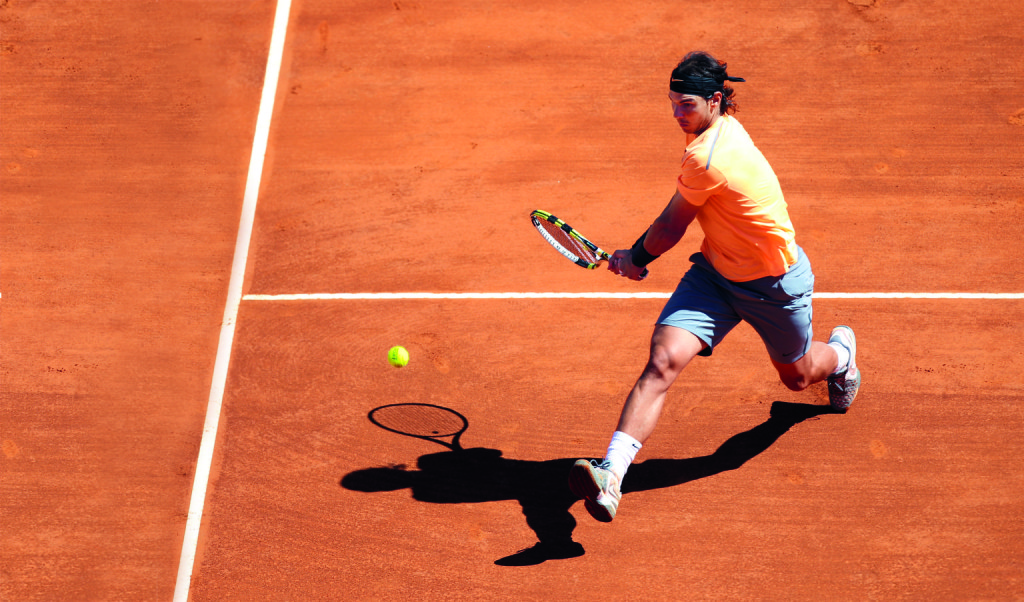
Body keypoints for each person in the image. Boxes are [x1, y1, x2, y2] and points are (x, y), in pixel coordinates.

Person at [567, 51, 861, 524]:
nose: (676, 114)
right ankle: (611, 475)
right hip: (715, 274)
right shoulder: (711, 137)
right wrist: (637, 254)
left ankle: (842, 355)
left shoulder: (709, 156)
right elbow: (675, 216)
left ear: (715, 100)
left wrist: (636, 258)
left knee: (800, 376)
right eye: (671, 103)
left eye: (685, 105)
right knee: (663, 360)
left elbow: (669, 228)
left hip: (774, 283)